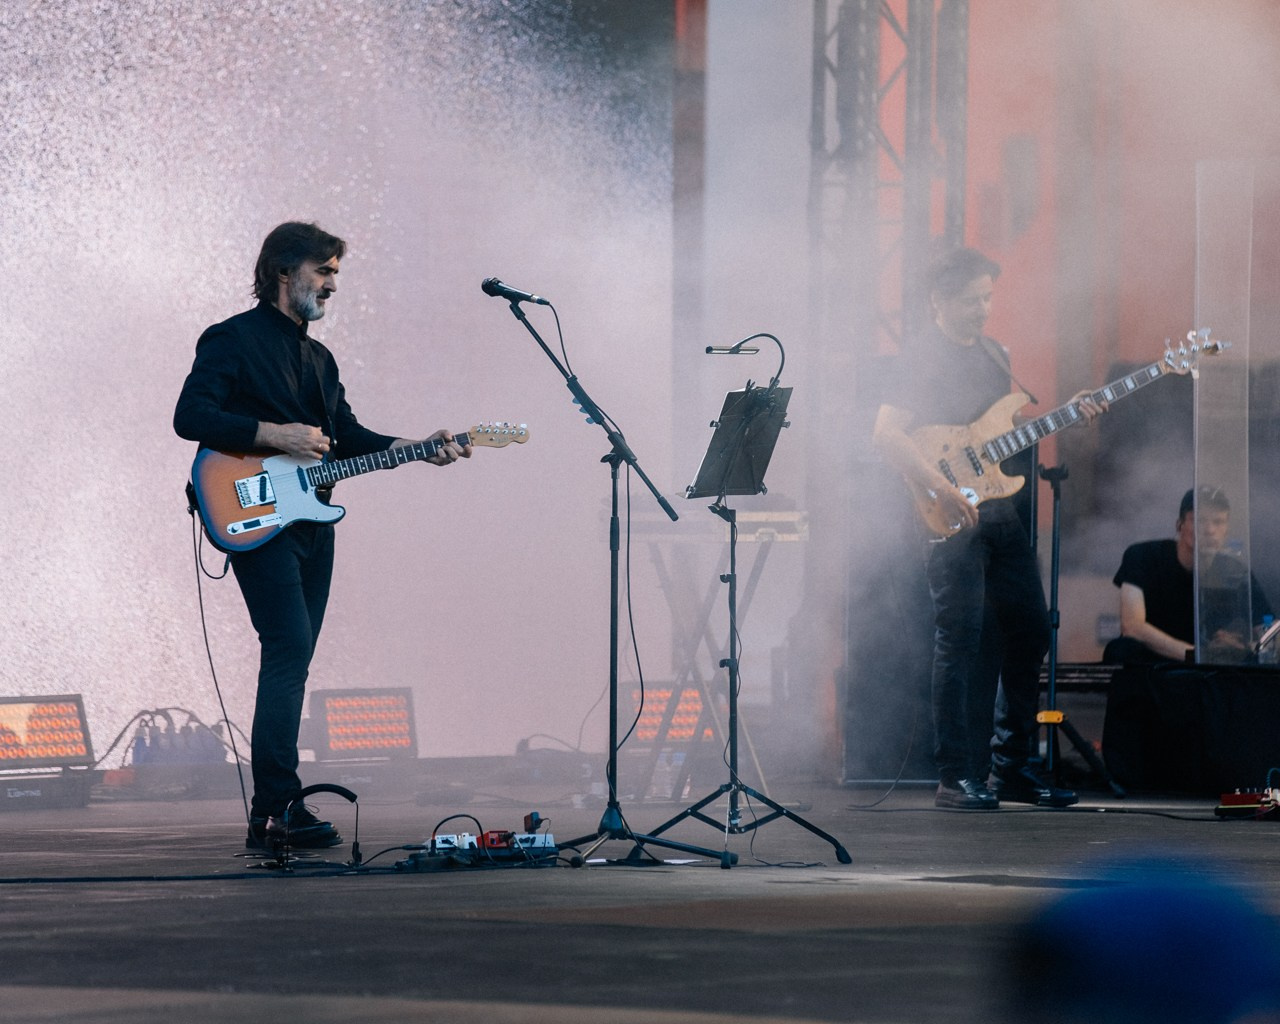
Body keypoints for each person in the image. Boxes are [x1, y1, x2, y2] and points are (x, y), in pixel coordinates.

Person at [174, 221, 470, 849]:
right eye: (324, 271)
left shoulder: (319, 359)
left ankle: (275, 808)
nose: (334, 285)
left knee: (295, 656)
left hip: (312, 519)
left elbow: (346, 437)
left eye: (336, 272)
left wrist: (415, 447)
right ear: (284, 272)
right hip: (253, 513)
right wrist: (274, 435)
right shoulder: (232, 338)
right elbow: (190, 416)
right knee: (287, 649)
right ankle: (277, 809)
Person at [872, 247, 1105, 811]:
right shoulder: (920, 357)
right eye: (972, 299)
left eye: (987, 297)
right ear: (939, 301)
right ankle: (954, 776)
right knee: (960, 639)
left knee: (1029, 628)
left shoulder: (995, 354)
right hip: (949, 512)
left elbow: (1004, 430)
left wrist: (1067, 412)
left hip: (1001, 513)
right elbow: (885, 434)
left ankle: (1013, 767)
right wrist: (941, 487)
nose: (983, 308)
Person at [1104, 486, 1272, 664]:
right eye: (1199, 520)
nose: (1209, 530)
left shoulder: (1235, 571)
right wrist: (1199, 655)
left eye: (1218, 522)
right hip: (1154, 668)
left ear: (1226, 529)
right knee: (1121, 649)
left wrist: (1243, 647)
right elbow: (1132, 626)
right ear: (1179, 525)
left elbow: (1269, 631)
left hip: (1210, 675)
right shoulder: (1143, 556)